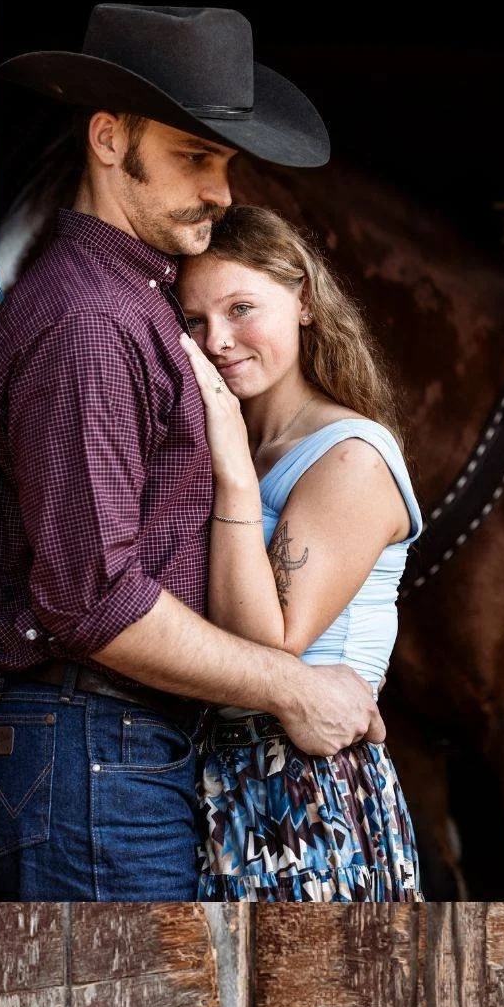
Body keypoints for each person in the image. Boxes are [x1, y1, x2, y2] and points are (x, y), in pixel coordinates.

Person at [0, 3, 385, 902]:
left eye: (225, 162)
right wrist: (292, 685)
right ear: (108, 140)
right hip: (91, 745)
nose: (221, 192)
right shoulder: (91, 321)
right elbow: (94, 601)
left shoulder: (142, 309)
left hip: (116, 749)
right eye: (193, 158)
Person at [174, 205, 423, 900]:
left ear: (305, 301)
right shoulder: (238, 440)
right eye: (194, 321)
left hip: (305, 791)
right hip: (212, 781)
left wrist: (231, 468)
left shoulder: (350, 457)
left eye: (242, 308)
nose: (217, 340)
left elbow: (270, 643)